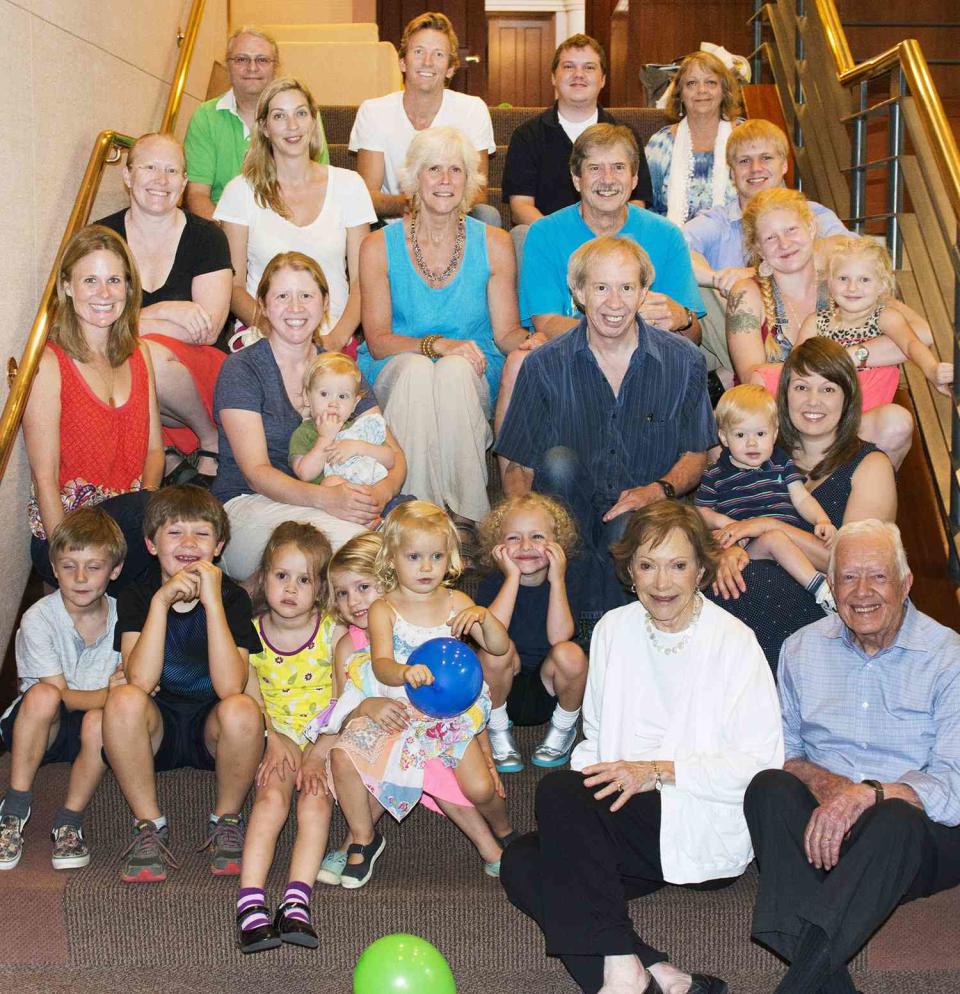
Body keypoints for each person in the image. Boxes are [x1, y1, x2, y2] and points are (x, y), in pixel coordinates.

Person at [501, 502, 784, 994]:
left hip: (700, 821)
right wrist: (590, 797)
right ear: (630, 570)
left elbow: (760, 765)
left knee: (557, 794)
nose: (662, 582)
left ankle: (626, 972)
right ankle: (645, 972)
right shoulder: (613, 628)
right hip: (626, 819)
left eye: (678, 565)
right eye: (648, 565)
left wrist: (656, 770)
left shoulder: (734, 642)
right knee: (521, 861)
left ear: (701, 568)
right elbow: (595, 738)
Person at [744, 519, 960, 994]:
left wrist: (871, 795)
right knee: (767, 787)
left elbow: (954, 783)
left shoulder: (947, 656)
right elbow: (784, 752)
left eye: (878, 576)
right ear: (832, 585)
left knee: (894, 819)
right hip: (824, 828)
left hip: (916, 836)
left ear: (905, 584)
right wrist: (832, 789)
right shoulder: (801, 649)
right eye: (847, 577)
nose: (862, 592)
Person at [496, 236, 716, 629]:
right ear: (579, 292)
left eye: (626, 288)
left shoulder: (683, 361)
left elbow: (697, 455)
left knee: (626, 527)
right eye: (601, 288)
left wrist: (658, 490)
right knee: (557, 463)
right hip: (568, 512)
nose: (614, 303)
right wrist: (530, 530)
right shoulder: (544, 364)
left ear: (644, 292)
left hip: (646, 509)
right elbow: (517, 466)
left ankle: (599, 635)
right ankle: (574, 629)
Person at [319, 525, 512, 888]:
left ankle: (353, 843)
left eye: (363, 588)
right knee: (385, 757)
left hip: (434, 729)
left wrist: (484, 749)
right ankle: (361, 838)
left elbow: (462, 692)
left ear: (389, 580)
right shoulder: (347, 646)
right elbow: (340, 707)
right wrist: (365, 708)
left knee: (425, 759)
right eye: (342, 593)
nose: (354, 601)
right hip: (383, 729)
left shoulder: (413, 624)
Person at [358, 126, 525, 528]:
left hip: (471, 365)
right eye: (434, 169)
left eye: (456, 170)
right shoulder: (378, 246)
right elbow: (379, 341)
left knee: (452, 373)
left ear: (470, 181)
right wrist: (438, 345)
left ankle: (467, 517)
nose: (445, 181)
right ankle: (418, 523)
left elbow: (505, 335)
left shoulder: (496, 242)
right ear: (414, 178)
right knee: (418, 372)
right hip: (397, 363)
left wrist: (534, 340)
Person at [498, 123, 705, 438]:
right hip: (573, 363)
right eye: (595, 168)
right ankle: (517, 483)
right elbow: (547, 322)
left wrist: (683, 317)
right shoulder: (545, 233)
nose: (608, 179)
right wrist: (619, 335)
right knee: (519, 361)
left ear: (634, 179)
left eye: (618, 168)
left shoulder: (666, 235)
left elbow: (693, 335)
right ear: (576, 179)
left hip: (649, 371)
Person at [102, 486, 264, 883]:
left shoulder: (233, 599)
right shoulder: (137, 596)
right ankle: (149, 826)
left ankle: (227, 820)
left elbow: (230, 687)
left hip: (214, 729)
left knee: (243, 708)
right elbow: (140, 681)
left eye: (202, 534)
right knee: (123, 699)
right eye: (175, 532)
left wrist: (212, 603)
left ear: (219, 546)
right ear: (151, 544)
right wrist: (160, 603)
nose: (189, 543)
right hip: (156, 730)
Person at [213, 252, 405, 582]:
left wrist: (381, 493)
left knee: (415, 541)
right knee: (363, 553)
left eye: (306, 295)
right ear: (262, 304)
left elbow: (395, 455)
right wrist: (325, 499)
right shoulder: (242, 370)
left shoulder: (340, 370)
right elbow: (257, 473)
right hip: (250, 505)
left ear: (324, 302)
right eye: (282, 296)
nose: (296, 307)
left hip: (339, 500)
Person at [709, 338, 897, 668]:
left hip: (817, 608)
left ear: (847, 398)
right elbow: (711, 521)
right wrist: (723, 553)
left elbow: (854, 566)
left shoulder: (869, 465)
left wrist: (769, 527)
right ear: (784, 394)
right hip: (734, 598)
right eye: (801, 387)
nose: (813, 401)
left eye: (828, 389)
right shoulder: (754, 451)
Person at [726, 188, 915, 467]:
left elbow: (919, 333)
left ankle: (861, 498)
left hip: (845, 416)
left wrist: (850, 356)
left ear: (811, 228)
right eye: (770, 238)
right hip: (782, 425)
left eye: (791, 229)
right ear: (757, 249)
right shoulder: (747, 292)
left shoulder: (845, 282)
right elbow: (754, 378)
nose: (784, 243)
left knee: (896, 422)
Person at [22, 225, 164, 593]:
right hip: (71, 530)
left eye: (114, 280)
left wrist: (146, 514)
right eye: (90, 280)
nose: (104, 293)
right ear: (67, 286)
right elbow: (45, 477)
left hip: (130, 524)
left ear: (129, 288)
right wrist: (65, 559)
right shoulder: (49, 364)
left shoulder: (140, 353)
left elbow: (153, 451)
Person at [98, 133, 232, 481]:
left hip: (197, 369)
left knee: (143, 353)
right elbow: (92, 325)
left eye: (172, 170)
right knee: (130, 354)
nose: (161, 180)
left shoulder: (208, 237)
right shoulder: (102, 239)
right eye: (150, 167)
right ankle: (164, 449)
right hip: (132, 377)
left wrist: (125, 322)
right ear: (127, 175)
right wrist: (167, 311)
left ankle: (210, 437)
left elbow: (207, 328)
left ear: (185, 182)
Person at [0, 509, 126, 872]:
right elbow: (59, 694)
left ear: (114, 570)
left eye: (94, 566)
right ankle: (14, 809)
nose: (81, 578)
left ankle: (69, 821)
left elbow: (133, 690)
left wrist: (111, 698)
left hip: (93, 729)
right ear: (54, 569)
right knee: (43, 695)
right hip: (40, 723)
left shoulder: (127, 617)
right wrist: (109, 692)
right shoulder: (39, 617)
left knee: (104, 719)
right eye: (69, 566)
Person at [235, 522, 338, 953]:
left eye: (304, 579)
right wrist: (271, 738)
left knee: (314, 801)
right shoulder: (251, 634)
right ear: (263, 577)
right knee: (270, 800)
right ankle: (250, 905)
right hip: (277, 739)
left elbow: (344, 699)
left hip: (324, 739)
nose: (291, 589)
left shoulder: (333, 632)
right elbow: (250, 694)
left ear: (320, 589)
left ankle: (297, 902)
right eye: (281, 576)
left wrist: (319, 752)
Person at [216, 77, 374, 354]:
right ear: (264, 127)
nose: (292, 126)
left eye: (300, 113)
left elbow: (364, 280)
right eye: (279, 116)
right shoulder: (239, 192)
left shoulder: (350, 185)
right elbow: (234, 285)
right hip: (262, 333)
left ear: (313, 121)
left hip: (332, 333)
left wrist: (335, 339)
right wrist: (272, 330)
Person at [683, 119, 849, 375]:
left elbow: (850, 250)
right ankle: (735, 374)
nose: (755, 169)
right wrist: (718, 278)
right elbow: (674, 251)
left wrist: (764, 270)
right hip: (739, 336)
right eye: (744, 161)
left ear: (784, 165)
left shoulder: (812, 213)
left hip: (811, 333)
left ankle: (729, 379)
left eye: (766, 158)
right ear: (732, 172)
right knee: (698, 284)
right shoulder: (718, 221)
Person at [500, 32, 652, 257]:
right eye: (569, 66)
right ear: (553, 76)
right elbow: (520, 206)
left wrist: (603, 239)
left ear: (602, 80)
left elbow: (637, 202)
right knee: (522, 234)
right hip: (551, 243)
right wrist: (563, 237)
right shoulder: (527, 135)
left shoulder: (625, 135)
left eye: (589, 68)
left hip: (613, 243)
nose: (578, 74)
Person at [349, 11, 499, 227]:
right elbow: (368, 197)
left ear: (450, 68)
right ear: (402, 62)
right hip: (392, 224)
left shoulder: (472, 110)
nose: (427, 62)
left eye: (438, 54)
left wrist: (435, 207)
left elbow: (477, 192)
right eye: (419, 52)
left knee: (487, 214)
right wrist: (423, 204)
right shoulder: (373, 111)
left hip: (454, 222)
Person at [696, 384, 837, 613]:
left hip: (791, 543)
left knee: (787, 543)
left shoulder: (781, 463)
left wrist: (822, 520)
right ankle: (825, 594)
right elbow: (700, 514)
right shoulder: (716, 474)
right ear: (724, 436)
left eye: (760, 434)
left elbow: (801, 498)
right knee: (774, 538)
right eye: (740, 435)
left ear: (774, 433)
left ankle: (823, 591)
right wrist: (727, 524)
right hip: (749, 548)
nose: (752, 443)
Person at [475, 494, 587, 773]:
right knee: (496, 650)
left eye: (537, 536)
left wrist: (557, 580)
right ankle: (498, 730)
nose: (526, 546)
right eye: (514, 538)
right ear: (498, 546)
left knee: (571, 654)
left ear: (557, 543)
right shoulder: (493, 583)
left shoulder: (567, 579)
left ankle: (563, 729)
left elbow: (559, 637)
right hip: (500, 692)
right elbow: (492, 636)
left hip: (548, 690)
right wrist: (511, 578)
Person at [184, 26, 329, 220]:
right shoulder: (205, 117)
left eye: (262, 60)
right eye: (241, 59)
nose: (252, 68)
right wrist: (229, 239)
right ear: (228, 65)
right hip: (223, 228)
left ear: (275, 67)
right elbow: (197, 195)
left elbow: (321, 186)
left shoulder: (303, 116)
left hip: (292, 224)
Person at [796, 236, 953, 407]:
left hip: (868, 402)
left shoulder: (885, 317)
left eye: (864, 279)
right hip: (822, 400)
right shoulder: (815, 322)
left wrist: (931, 369)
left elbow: (910, 344)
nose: (852, 287)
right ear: (829, 281)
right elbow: (795, 365)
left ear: (882, 285)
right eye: (843, 278)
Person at [645, 51, 743, 223]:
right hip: (673, 244)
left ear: (724, 91)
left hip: (737, 246)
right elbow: (643, 207)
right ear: (680, 94)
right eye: (691, 83)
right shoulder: (660, 144)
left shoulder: (747, 138)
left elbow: (770, 199)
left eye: (711, 82)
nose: (702, 90)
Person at [288, 351, 394, 488]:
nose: (333, 403)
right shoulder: (305, 433)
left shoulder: (361, 428)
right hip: (335, 498)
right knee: (331, 482)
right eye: (324, 394)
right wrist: (325, 438)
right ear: (307, 398)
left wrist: (359, 447)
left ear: (355, 404)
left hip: (371, 488)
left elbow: (390, 459)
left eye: (343, 396)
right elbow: (305, 474)